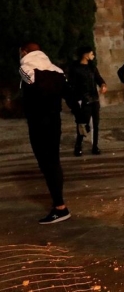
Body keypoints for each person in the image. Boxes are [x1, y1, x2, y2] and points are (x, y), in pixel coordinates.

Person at [19, 43, 76, 224]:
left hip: (38, 122)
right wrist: (80, 115)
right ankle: (59, 204)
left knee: (46, 163)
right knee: (53, 161)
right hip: (54, 121)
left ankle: (60, 207)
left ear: (25, 52)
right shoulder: (57, 71)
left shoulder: (26, 68)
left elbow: (31, 84)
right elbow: (69, 94)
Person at [67, 46, 107, 156]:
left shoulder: (92, 67)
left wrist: (103, 85)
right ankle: (78, 145)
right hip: (83, 99)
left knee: (96, 124)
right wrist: (75, 101)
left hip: (94, 98)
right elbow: (72, 85)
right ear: (85, 55)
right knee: (83, 124)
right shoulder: (75, 68)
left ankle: (95, 146)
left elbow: (98, 78)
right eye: (91, 54)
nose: (93, 56)